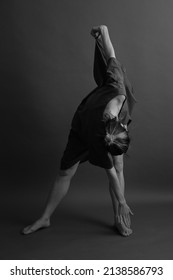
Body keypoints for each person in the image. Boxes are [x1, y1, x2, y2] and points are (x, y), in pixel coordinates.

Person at [22, 25, 136, 237]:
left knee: (118, 164)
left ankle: (119, 218)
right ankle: (44, 218)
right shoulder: (98, 130)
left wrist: (104, 31)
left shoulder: (118, 97)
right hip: (83, 127)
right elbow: (109, 173)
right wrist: (123, 201)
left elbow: (111, 54)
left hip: (105, 128)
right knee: (66, 171)